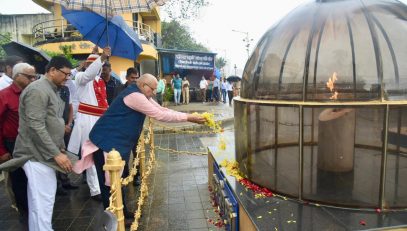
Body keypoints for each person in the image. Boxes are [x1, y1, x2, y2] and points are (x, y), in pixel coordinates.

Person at [73, 73, 206, 213]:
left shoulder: (143, 95)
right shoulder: (135, 96)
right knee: (110, 185)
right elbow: (159, 115)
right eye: (152, 89)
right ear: (143, 85)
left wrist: (188, 116)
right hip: (106, 143)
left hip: (116, 144)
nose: (154, 93)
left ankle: (121, 213)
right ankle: (114, 220)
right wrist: (188, 117)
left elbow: (162, 109)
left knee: (119, 181)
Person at [0, 56, 75, 231]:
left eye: (70, 75)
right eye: (65, 74)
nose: (67, 78)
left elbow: (50, 120)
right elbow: (36, 126)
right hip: (36, 155)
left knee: (39, 202)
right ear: (52, 71)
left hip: (44, 153)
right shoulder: (37, 90)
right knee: (44, 201)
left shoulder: (50, 88)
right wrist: (56, 154)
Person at [68, 47, 111, 201]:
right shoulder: (80, 77)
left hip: (100, 120)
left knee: (102, 154)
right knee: (90, 154)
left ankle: (103, 184)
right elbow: (89, 74)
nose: (99, 69)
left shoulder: (100, 81)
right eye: (95, 65)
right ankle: (95, 190)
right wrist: (101, 58)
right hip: (87, 119)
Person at [0, 63, 36, 221]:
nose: (33, 79)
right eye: (29, 76)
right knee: (19, 180)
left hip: (34, 143)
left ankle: (35, 210)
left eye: (34, 76)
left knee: (34, 178)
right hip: (13, 144)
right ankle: (25, 213)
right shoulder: (4, 95)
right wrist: (1, 151)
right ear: (17, 76)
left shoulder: (33, 93)